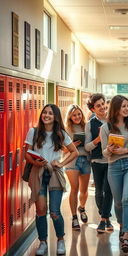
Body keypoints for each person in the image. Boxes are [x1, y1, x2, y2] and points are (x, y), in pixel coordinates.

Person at [25, 104, 78, 256]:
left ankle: (60, 240)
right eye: (44, 113)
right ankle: (43, 242)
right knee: (41, 210)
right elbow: (26, 154)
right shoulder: (33, 132)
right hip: (38, 173)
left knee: (54, 211)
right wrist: (36, 162)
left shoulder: (61, 133)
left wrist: (61, 163)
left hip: (54, 173)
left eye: (50, 113)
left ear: (55, 117)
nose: (46, 115)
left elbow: (74, 152)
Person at [100, 95, 128, 253]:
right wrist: (109, 150)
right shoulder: (106, 127)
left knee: (127, 199)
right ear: (116, 108)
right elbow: (104, 153)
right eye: (123, 106)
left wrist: (126, 150)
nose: (127, 109)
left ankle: (126, 234)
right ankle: (121, 224)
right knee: (118, 202)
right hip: (114, 166)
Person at [85, 94, 113, 233]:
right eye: (98, 105)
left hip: (111, 160)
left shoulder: (113, 120)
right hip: (96, 161)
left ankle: (104, 218)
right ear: (92, 109)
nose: (102, 107)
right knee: (99, 191)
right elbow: (87, 147)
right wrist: (98, 139)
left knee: (108, 190)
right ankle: (106, 217)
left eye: (103, 104)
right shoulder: (90, 124)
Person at [64, 104, 91, 231]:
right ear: (70, 116)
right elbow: (61, 149)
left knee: (84, 190)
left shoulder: (87, 126)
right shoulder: (65, 129)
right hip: (72, 161)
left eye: (79, 114)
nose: (77, 117)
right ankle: (74, 217)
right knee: (74, 188)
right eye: (74, 115)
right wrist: (72, 145)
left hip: (85, 160)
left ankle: (82, 208)